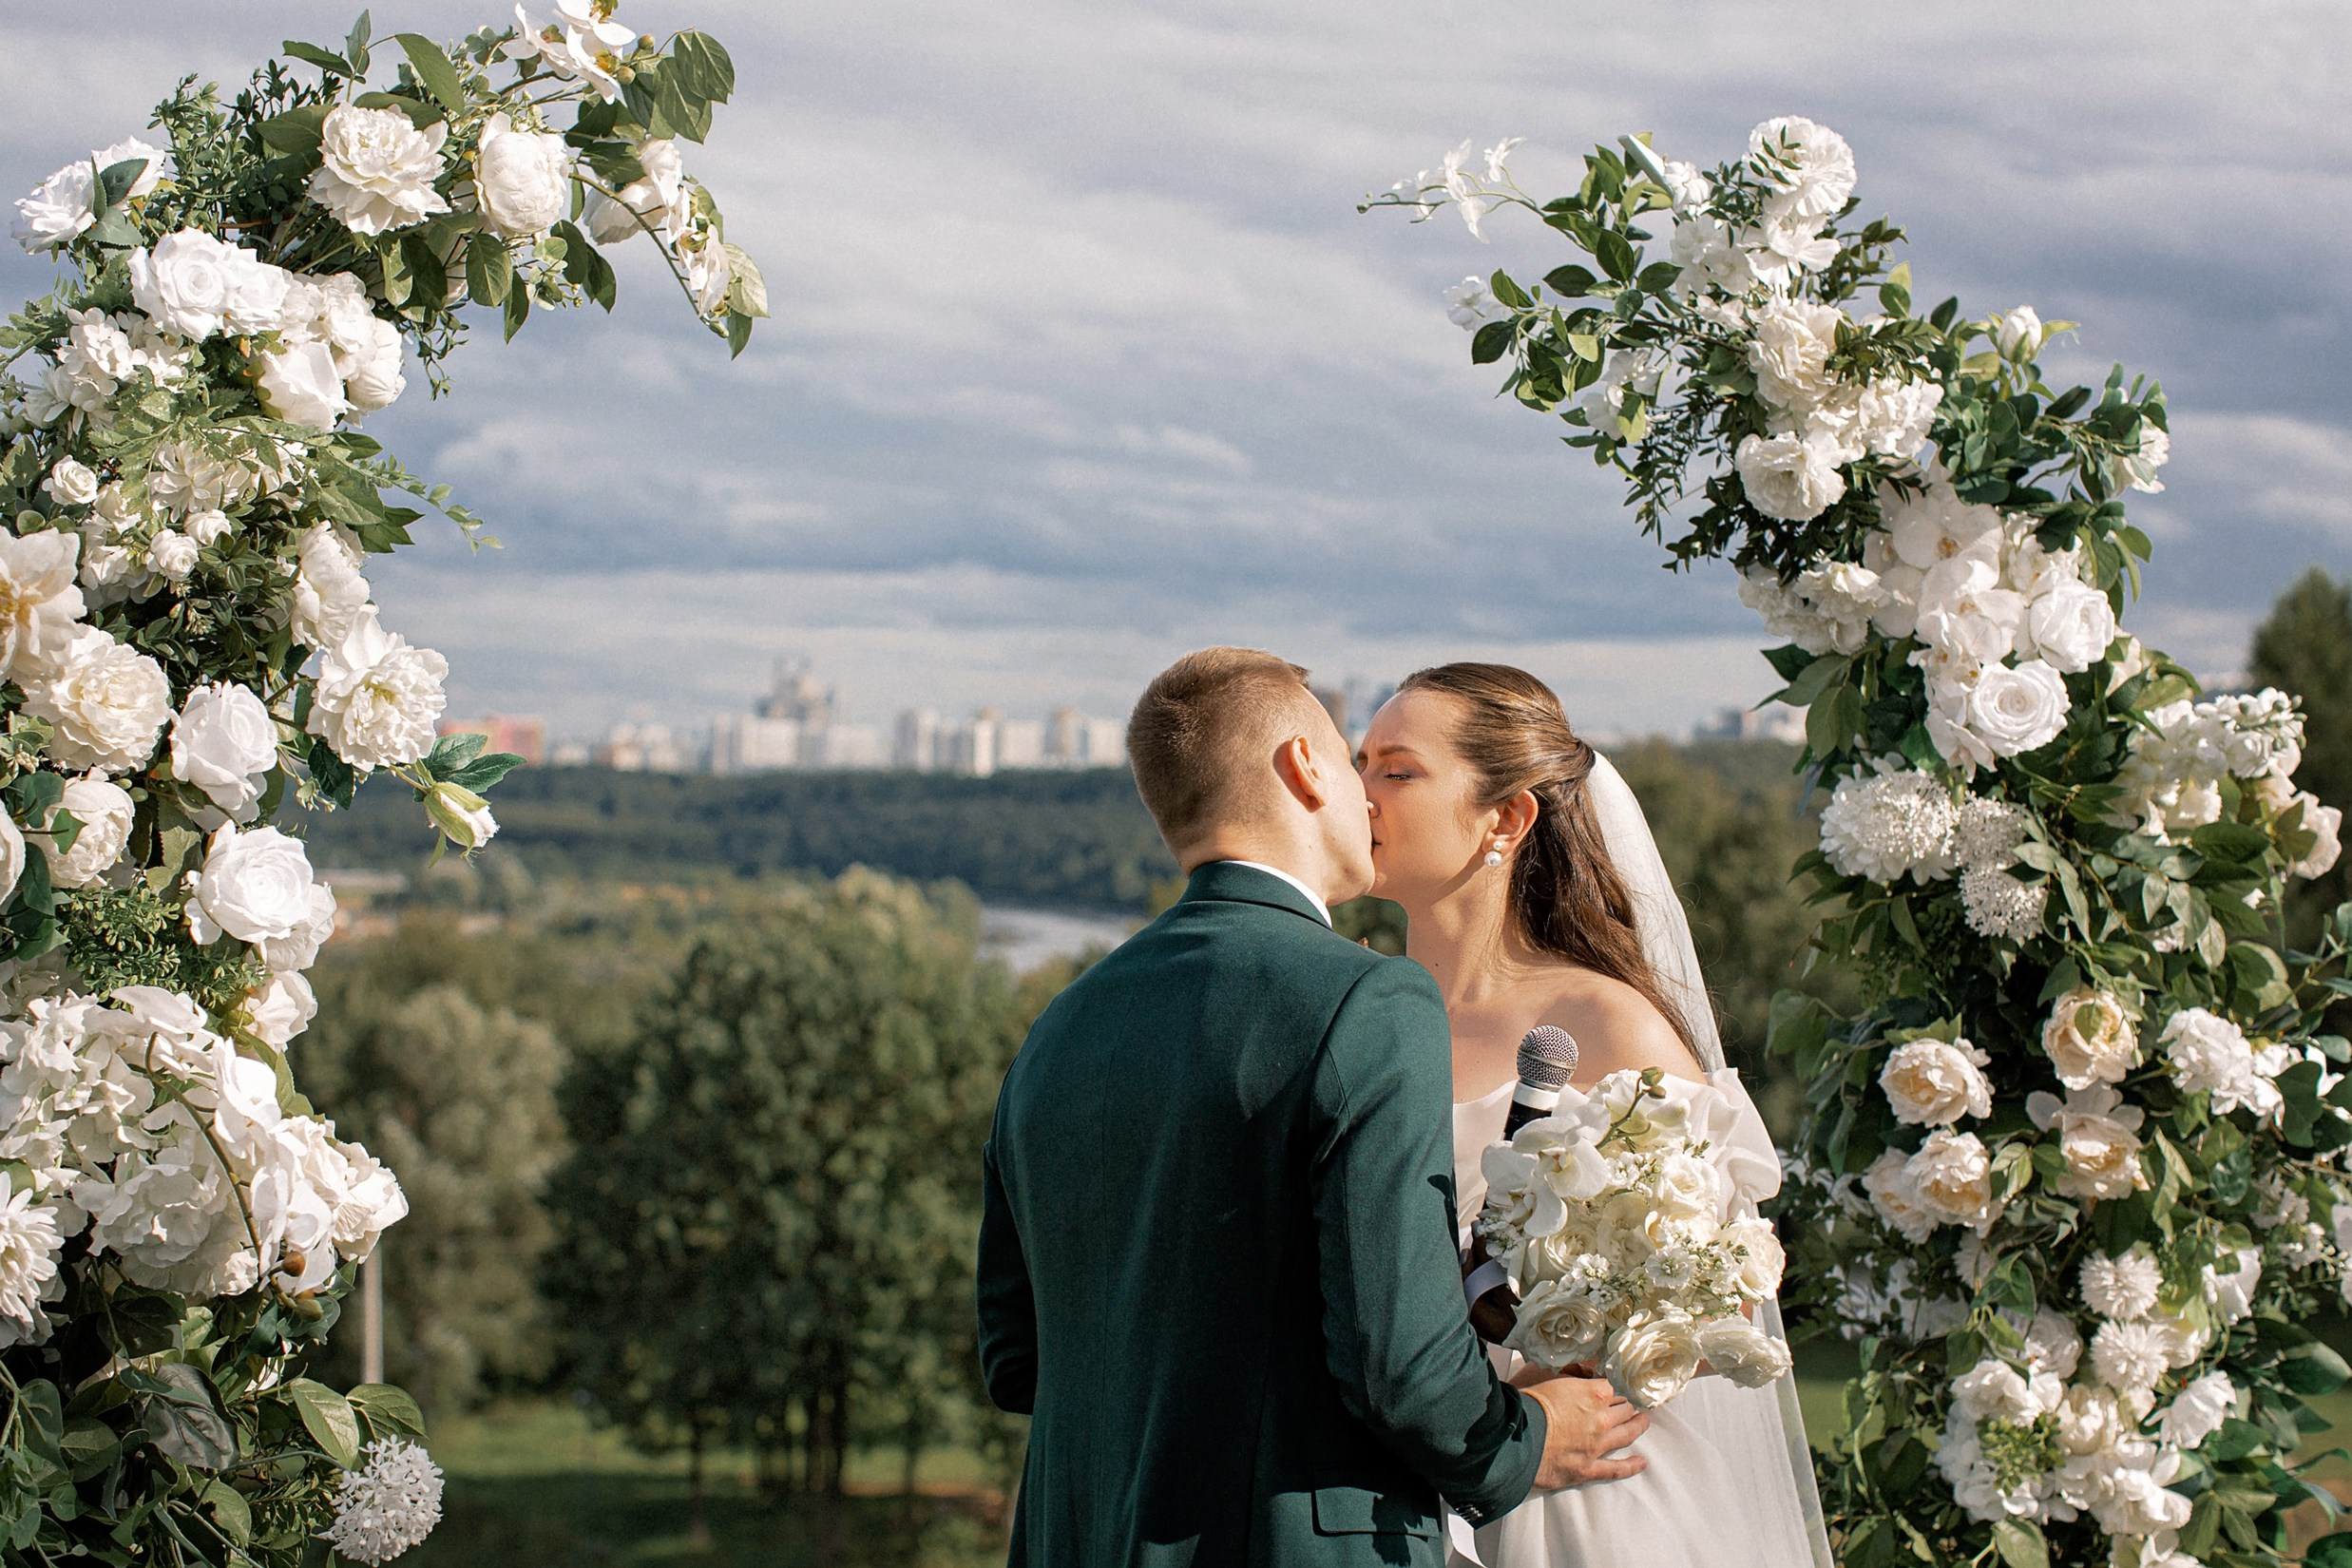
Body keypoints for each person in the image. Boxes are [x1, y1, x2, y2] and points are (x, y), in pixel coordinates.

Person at [977, 646, 1650, 1567]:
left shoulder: (1059, 1027)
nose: (1367, 795)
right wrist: (1524, 1445)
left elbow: (1017, 1360)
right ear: (1302, 767)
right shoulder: (1366, 1001)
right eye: (1348, 757)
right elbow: (1399, 1365)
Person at [1354, 662, 1832, 1568]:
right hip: (1394, 1493)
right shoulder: (1356, 1020)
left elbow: (1718, 1284)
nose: (1357, 791)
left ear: (1507, 818)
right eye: (1360, 761)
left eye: (1397, 770)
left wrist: (1576, 1351)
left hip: (1589, 1498)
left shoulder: (1606, 1023)